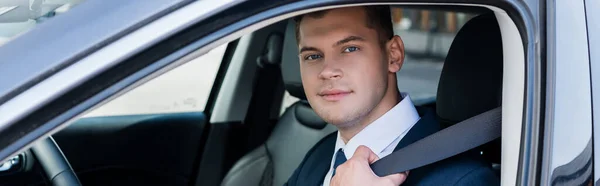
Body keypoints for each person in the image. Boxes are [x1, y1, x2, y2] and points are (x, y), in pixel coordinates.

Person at [284, 5, 499, 186]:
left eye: (350, 49)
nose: (327, 71)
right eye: (313, 56)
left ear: (393, 55)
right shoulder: (319, 156)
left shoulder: (462, 179)